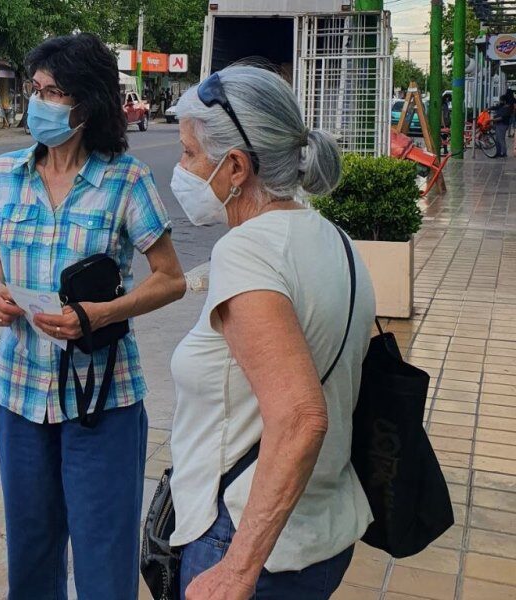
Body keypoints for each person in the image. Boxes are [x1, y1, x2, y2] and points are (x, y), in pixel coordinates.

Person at [0, 33, 185, 599]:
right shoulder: (5, 173)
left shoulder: (125, 179)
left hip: (102, 398)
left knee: (103, 556)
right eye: (36, 89)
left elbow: (171, 278)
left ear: (87, 104)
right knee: (30, 553)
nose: (38, 102)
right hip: (19, 393)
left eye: (53, 92)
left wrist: (102, 313)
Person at [166, 65, 377, 599]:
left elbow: (303, 418)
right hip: (321, 530)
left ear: (235, 166)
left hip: (246, 544)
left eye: (189, 153)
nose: (181, 168)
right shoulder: (335, 239)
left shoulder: (247, 251)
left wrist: (237, 570)